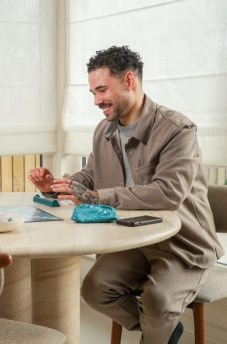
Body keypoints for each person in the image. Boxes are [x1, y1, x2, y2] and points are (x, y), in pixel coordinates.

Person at [29, 46, 223, 344]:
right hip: (136, 239)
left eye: (102, 90)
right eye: (93, 92)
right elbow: (91, 174)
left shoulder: (177, 130)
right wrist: (58, 185)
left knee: (157, 301)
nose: (97, 101)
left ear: (130, 80)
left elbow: (168, 194)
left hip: (183, 244)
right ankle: (164, 333)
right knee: (95, 289)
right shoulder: (103, 130)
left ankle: (158, 331)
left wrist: (94, 197)